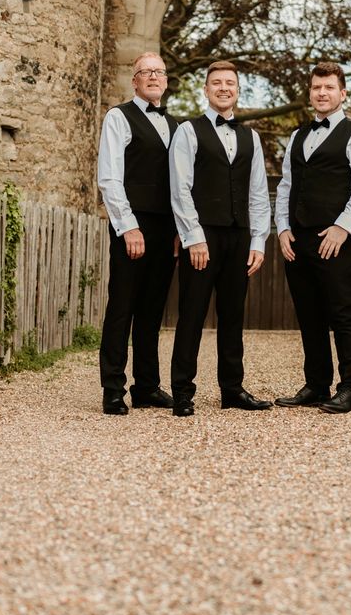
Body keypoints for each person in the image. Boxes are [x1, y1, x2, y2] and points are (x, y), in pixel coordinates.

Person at [274, 60, 351, 413]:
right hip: (298, 240)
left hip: (336, 239)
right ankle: (317, 384)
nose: (322, 93)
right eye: (317, 88)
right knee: (309, 314)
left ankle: (350, 387)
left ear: (342, 93)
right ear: (310, 92)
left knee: (342, 313)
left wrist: (343, 227)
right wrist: (283, 228)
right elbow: (287, 184)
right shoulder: (297, 136)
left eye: (329, 87)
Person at [168, 60, 272, 417]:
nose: (223, 88)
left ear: (238, 90)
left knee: (232, 316)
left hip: (239, 236)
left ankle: (232, 389)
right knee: (192, 314)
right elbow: (180, 188)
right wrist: (193, 237)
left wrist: (258, 241)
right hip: (204, 235)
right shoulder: (188, 131)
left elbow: (258, 192)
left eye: (230, 83)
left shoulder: (251, 137)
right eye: (216, 83)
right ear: (206, 89)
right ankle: (182, 390)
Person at [95, 52, 179, 415]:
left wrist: (180, 231)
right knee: (122, 308)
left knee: (152, 310)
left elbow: (180, 186)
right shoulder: (119, 117)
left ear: (165, 80)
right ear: (135, 81)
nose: (153, 77)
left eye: (159, 72)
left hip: (166, 227)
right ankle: (113, 389)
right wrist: (127, 225)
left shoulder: (176, 126)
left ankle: (146, 386)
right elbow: (110, 176)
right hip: (132, 223)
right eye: (146, 72)